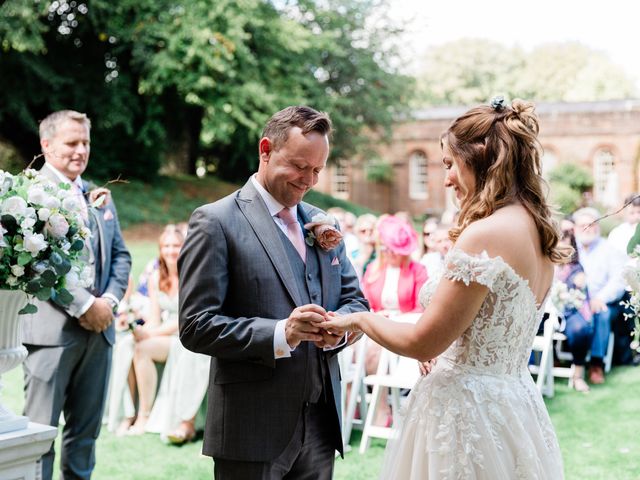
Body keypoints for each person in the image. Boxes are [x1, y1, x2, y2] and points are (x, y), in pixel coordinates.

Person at [321, 98, 568, 478]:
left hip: (467, 414)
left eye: (450, 164)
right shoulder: (540, 231)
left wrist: (359, 318)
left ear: (481, 160)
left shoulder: (485, 234)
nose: (446, 178)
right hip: (514, 405)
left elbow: (424, 342)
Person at [178, 105, 369, 479]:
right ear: (266, 149)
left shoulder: (321, 222)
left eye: (317, 170)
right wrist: (283, 334)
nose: (308, 180)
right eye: (300, 166)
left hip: (319, 420)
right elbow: (196, 325)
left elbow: (355, 299)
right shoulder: (216, 221)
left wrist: (339, 329)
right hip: (251, 426)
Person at [22, 110, 131, 480]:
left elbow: (121, 256)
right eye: (72, 142)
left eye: (85, 142)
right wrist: (85, 304)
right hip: (50, 337)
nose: (80, 150)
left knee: (85, 437)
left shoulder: (98, 195)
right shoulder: (28, 196)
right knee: (39, 438)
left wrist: (109, 304)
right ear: (47, 145)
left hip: (100, 334)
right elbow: (37, 262)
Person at [360, 214, 427, 425]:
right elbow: (363, 301)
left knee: (376, 348)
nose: (388, 253)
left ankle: (380, 409)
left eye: (392, 249)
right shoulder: (373, 270)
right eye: (385, 248)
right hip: (376, 325)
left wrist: (396, 317)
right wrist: (376, 314)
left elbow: (422, 306)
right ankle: (371, 407)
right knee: (365, 347)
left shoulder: (418, 271)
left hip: (404, 326)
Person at [128, 224, 184, 434]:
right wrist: (138, 330)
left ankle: (144, 416)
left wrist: (150, 334)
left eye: (176, 245)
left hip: (185, 334)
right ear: (160, 249)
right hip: (163, 332)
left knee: (144, 347)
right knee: (133, 344)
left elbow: (184, 320)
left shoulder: (191, 276)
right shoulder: (155, 278)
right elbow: (154, 317)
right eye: (166, 246)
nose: (171, 250)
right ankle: (132, 413)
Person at [573, 207, 627, 383]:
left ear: (598, 227)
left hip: (604, 302)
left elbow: (618, 281)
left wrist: (600, 298)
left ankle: (597, 364)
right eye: (582, 225)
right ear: (575, 228)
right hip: (576, 301)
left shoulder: (609, 249)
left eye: (591, 224)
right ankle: (567, 356)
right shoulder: (570, 249)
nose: (587, 228)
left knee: (601, 314)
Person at [554, 228, 594, 392]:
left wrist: (579, 284)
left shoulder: (576, 268)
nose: (562, 248)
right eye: (559, 243)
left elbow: (580, 289)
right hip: (545, 312)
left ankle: (578, 375)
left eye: (566, 245)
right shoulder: (545, 264)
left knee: (580, 329)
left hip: (569, 310)